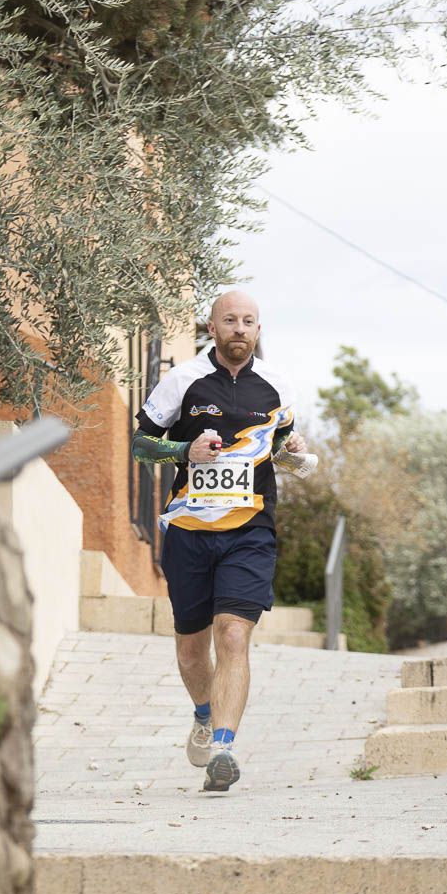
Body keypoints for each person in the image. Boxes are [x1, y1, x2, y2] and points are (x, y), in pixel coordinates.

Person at [131, 290, 307, 791]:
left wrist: (292, 449)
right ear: (212, 326)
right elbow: (143, 445)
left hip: (250, 529)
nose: (239, 328)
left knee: (233, 633)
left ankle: (223, 751)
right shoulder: (183, 379)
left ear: (258, 329)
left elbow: (279, 450)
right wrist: (186, 450)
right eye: (230, 320)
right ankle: (204, 715)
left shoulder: (276, 384)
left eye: (249, 321)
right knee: (192, 649)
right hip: (189, 531)